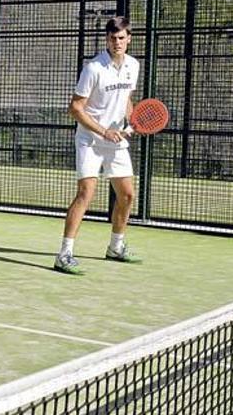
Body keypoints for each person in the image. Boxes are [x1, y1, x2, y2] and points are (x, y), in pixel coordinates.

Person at [54, 16, 142, 275]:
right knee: (86, 193)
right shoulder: (93, 69)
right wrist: (104, 131)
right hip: (90, 140)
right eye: (113, 38)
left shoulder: (133, 66)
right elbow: (75, 108)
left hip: (115, 141)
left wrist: (132, 120)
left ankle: (116, 246)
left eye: (122, 38)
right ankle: (64, 254)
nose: (117, 43)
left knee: (127, 195)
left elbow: (126, 98)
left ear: (129, 39)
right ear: (107, 39)